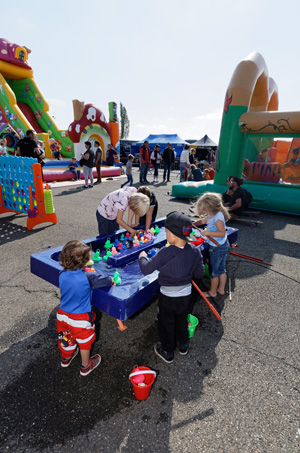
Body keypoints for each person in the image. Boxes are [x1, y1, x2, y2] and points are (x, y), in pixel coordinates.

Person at [138, 211, 204, 363]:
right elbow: (199, 273)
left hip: (168, 298)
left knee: (166, 323)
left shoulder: (165, 252)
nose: (166, 235)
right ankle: (183, 345)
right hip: (185, 296)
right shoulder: (195, 251)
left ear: (173, 235)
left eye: (166, 232)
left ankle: (167, 351)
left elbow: (146, 269)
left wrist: (141, 256)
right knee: (181, 320)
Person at [57, 240, 114, 376]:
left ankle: (66, 358)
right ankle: (85, 366)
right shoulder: (89, 277)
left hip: (62, 315)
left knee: (66, 338)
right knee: (84, 343)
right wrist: (112, 280)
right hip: (80, 319)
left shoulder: (61, 274)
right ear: (85, 261)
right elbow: (107, 280)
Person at [194, 192, 230, 298]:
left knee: (214, 271)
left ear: (210, 207)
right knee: (221, 269)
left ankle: (212, 292)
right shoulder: (215, 213)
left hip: (217, 247)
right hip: (222, 245)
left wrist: (207, 233)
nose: (205, 212)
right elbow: (204, 220)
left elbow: (221, 232)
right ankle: (221, 289)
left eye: (205, 209)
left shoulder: (218, 217)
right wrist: (193, 224)